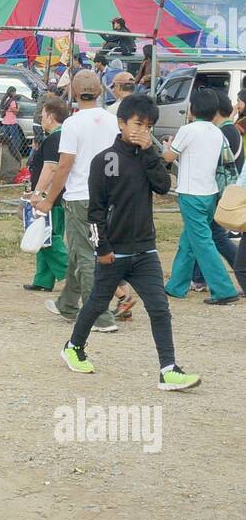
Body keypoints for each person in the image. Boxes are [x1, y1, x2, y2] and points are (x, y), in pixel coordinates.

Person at [60, 93, 200, 389]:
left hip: (145, 249)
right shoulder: (104, 160)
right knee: (97, 303)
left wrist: (150, 152)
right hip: (114, 251)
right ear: (121, 123)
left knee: (159, 307)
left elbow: (163, 186)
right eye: (138, 124)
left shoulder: (148, 157)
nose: (142, 131)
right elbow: (95, 211)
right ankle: (74, 347)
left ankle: (168, 369)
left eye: (148, 126)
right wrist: (102, 248)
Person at [29, 70, 119, 332]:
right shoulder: (113, 121)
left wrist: (48, 200)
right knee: (81, 251)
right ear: (100, 92)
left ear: (75, 93)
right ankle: (68, 304)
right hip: (109, 195)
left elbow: (64, 166)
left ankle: (100, 317)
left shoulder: (73, 124)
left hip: (81, 196)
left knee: (86, 254)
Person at [162, 87, 239, 305]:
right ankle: (176, 286)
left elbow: (169, 157)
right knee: (189, 240)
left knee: (202, 243)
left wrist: (167, 146)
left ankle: (224, 289)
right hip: (210, 193)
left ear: (192, 109)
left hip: (191, 194)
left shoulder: (187, 130)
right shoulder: (217, 132)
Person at [24, 95, 70, 293]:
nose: (40, 119)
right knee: (44, 234)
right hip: (57, 194)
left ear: (51, 117)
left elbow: (51, 168)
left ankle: (75, 274)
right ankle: (43, 279)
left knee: (48, 236)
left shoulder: (54, 138)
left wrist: (38, 192)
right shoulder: (64, 136)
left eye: (42, 115)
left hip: (52, 196)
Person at [0, 87, 22, 157]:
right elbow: (15, 111)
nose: (15, 93)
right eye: (15, 92)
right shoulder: (12, 101)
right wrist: (19, 108)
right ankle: (15, 152)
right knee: (16, 139)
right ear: (12, 92)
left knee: (6, 138)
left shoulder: (5, 99)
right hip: (12, 122)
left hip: (5, 121)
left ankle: (5, 151)